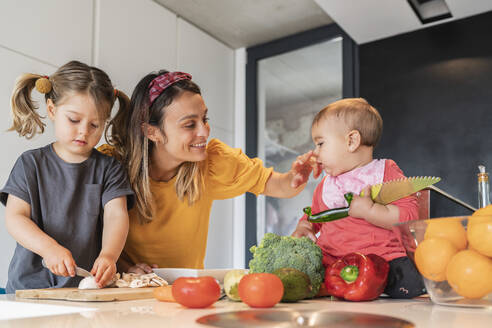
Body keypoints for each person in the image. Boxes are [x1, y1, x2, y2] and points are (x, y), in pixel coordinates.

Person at [98, 70, 319, 274]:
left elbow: (280, 186)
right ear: (151, 131)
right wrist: (126, 267)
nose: (204, 131)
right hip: (127, 288)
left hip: (186, 293)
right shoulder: (111, 166)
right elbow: (88, 232)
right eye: (189, 125)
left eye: (204, 119)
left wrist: (295, 176)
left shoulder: (212, 164)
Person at [0, 61, 135, 292]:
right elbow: (15, 218)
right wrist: (48, 248)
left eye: (95, 124)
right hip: (27, 290)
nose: (84, 131)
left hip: (82, 289)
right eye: (74, 120)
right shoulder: (30, 163)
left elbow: (116, 216)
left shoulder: (110, 168)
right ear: (52, 110)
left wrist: (109, 255)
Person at [292, 98, 425, 299]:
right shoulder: (326, 184)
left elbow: (410, 215)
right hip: (333, 261)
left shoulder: (386, 172)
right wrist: (305, 227)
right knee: (300, 274)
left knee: (409, 284)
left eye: (320, 144)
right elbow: (315, 216)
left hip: (381, 259)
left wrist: (371, 212)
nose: (315, 153)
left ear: (351, 141)